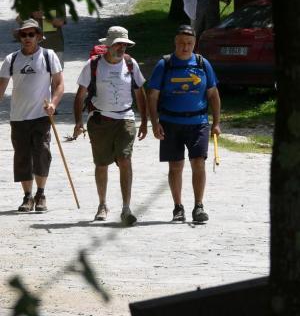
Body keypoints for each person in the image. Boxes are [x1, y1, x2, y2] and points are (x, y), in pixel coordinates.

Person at [73, 26, 147, 226]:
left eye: (124, 44)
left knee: (125, 159)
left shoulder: (131, 64)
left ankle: (126, 208)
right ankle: (103, 204)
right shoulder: (93, 65)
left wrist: (145, 122)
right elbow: (80, 95)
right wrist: (78, 121)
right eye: (117, 44)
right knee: (101, 164)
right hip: (100, 120)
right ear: (108, 46)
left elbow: (140, 93)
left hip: (125, 119)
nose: (121, 48)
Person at [147, 24, 221, 223]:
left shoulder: (202, 64)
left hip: (198, 123)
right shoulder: (165, 64)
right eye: (181, 43)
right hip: (170, 122)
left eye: (189, 43)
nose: (185, 47)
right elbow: (152, 96)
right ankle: (178, 207)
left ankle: (199, 206)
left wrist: (216, 122)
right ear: (175, 43)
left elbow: (213, 94)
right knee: (176, 166)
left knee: (198, 163)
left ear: (194, 43)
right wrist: (154, 123)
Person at [0, 19, 64, 212]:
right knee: (22, 157)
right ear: (19, 37)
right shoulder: (11, 60)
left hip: (42, 115)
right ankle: (27, 197)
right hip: (18, 117)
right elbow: (1, 88)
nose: (27, 38)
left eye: (31, 34)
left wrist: (53, 103)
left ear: (38, 36)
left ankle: (41, 193)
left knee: (42, 153)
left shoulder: (48, 55)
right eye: (23, 35)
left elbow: (59, 84)